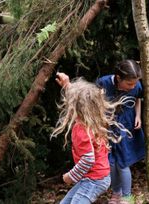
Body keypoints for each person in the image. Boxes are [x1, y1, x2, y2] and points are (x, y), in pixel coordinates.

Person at [52, 75, 129, 204]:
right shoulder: (93, 120)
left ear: (75, 105)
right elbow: (83, 97)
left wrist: (70, 176)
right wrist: (67, 84)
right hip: (94, 177)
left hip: (94, 180)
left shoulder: (81, 129)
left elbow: (88, 159)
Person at [96, 59, 145, 204]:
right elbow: (96, 105)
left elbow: (138, 99)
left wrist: (138, 116)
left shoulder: (136, 86)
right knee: (111, 163)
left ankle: (127, 196)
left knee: (123, 163)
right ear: (118, 78)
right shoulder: (103, 83)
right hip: (107, 129)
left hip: (126, 129)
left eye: (135, 83)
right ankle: (116, 193)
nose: (133, 86)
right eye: (129, 84)